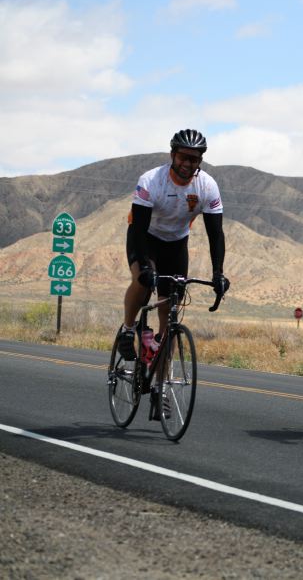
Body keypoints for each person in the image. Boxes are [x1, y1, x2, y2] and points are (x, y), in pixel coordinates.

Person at [117, 129, 230, 414]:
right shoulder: (150, 181)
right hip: (145, 238)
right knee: (143, 282)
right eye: (184, 157)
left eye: (195, 158)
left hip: (176, 244)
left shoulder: (207, 186)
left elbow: (216, 235)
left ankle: (159, 387)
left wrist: (218, 273)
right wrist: (144, 267)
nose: (189, 163)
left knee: (169, 319)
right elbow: (139, 230)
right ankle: (128, 328)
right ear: (173, 155)